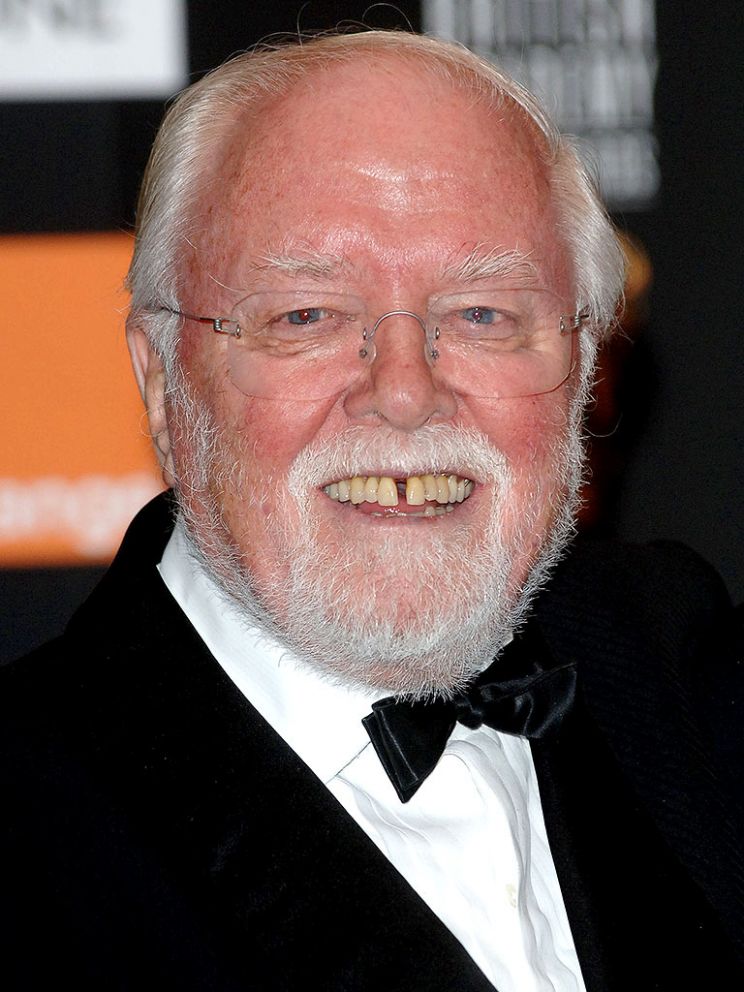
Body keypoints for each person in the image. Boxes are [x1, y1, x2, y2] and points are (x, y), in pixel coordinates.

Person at [1, 30, 742, 991]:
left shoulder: (680, 671)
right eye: (307, 315)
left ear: (584, 363)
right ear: (162, 380)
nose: (403, 392)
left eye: (483, 314)